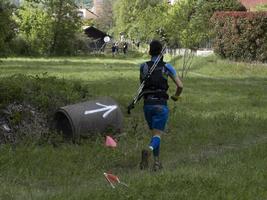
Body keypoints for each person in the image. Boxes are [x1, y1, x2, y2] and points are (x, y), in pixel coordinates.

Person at [139, 40, 183, 171]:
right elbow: (180, 86)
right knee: (157, 135)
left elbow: (141, 85)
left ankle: (157, 163)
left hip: (147, 105)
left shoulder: (143, 66)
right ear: (162, 52)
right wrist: (175, 96)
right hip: (161, 105)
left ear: (149, 51)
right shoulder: (167, 67)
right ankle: (148, 150)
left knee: (154, 134)